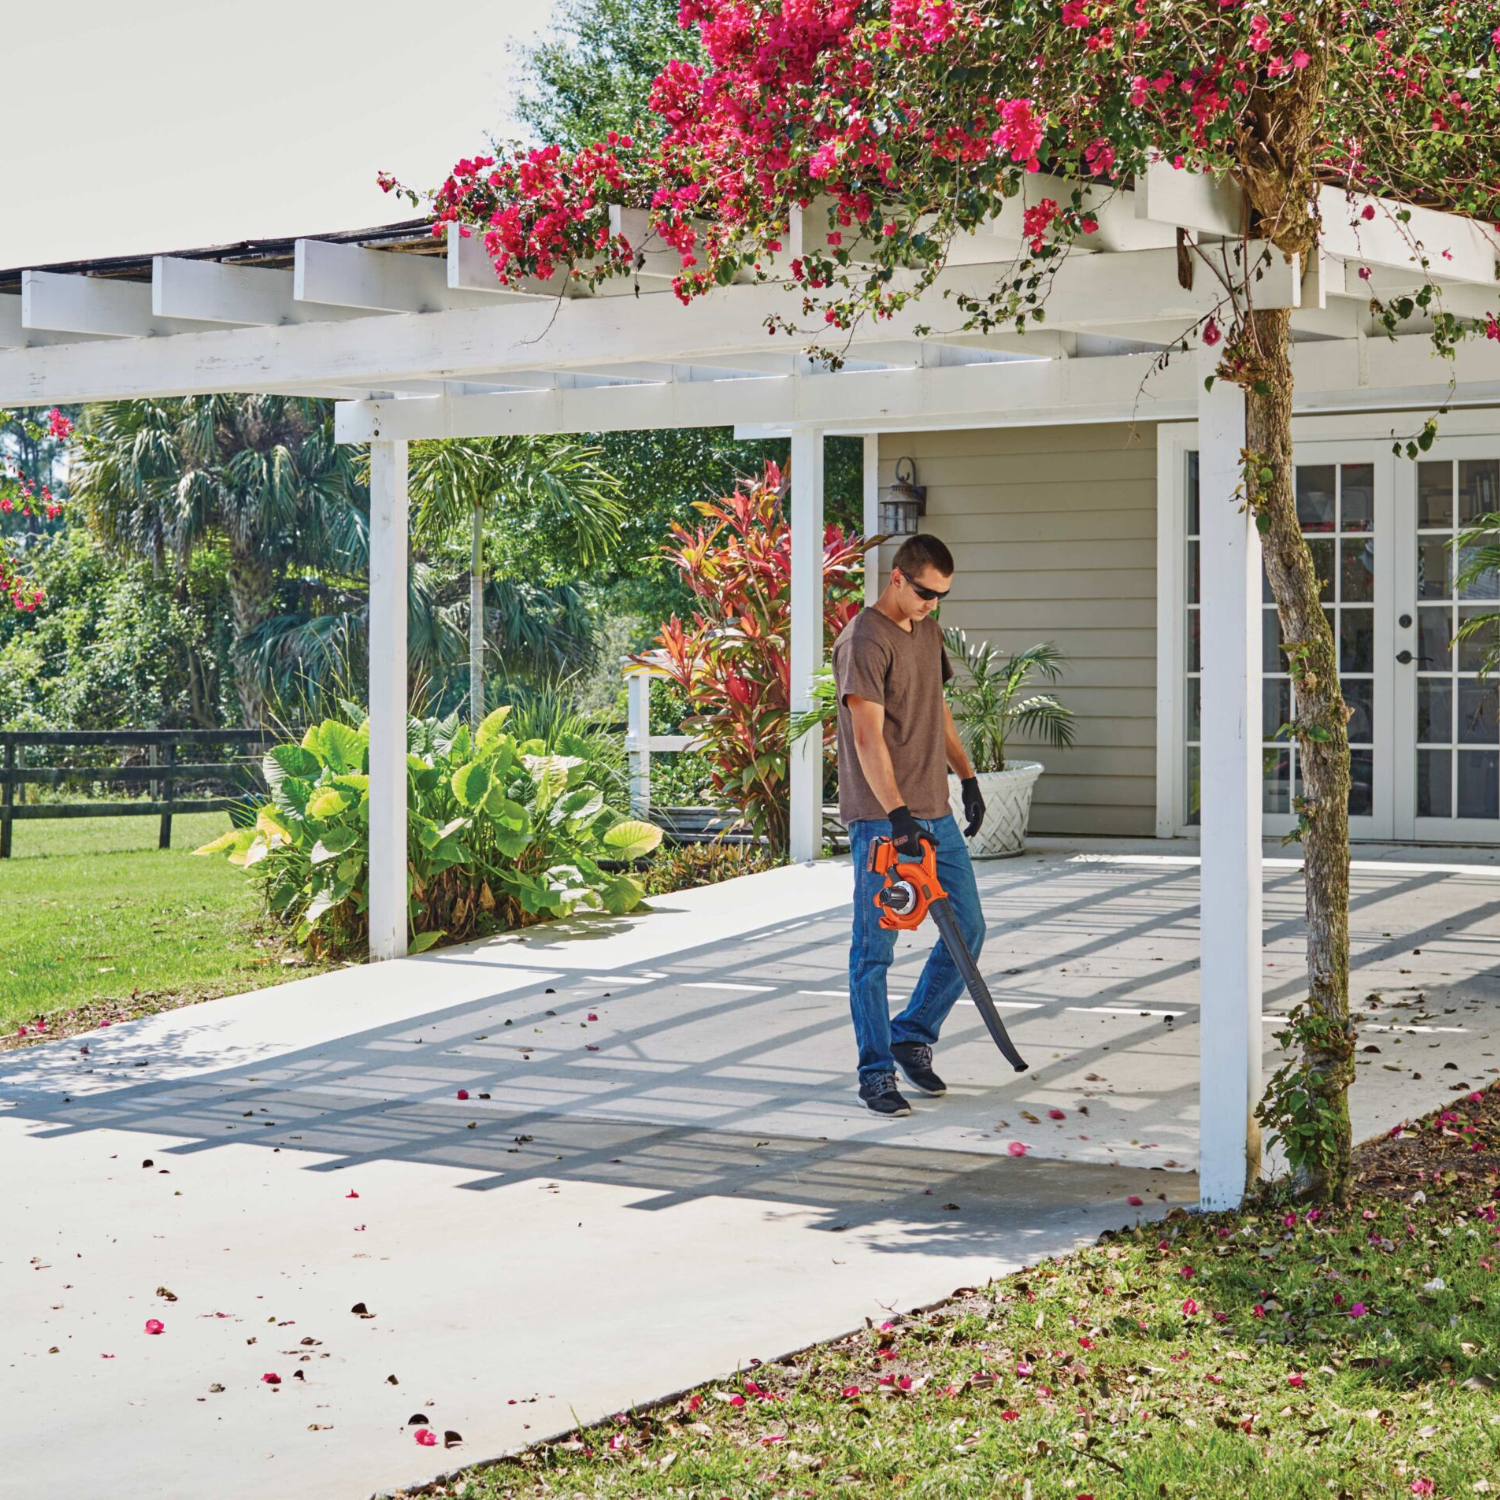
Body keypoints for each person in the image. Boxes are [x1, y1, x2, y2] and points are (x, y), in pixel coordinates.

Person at [831, 533, 987, 1117]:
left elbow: (936, 709)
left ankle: (912, 1033)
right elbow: (867, 736)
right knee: (875, 950)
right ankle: (875, 1073)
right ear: (897, 577)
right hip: (882, 820)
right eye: (925, 592)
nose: (932, 604)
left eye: (941, 595)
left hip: (935, 811)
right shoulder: (862, 640)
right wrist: (896, 817)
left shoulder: (927, 630)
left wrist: (967, 776)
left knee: (968, 929)